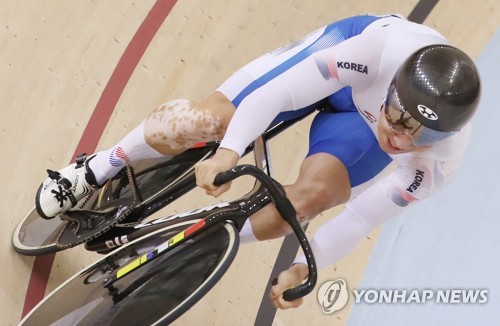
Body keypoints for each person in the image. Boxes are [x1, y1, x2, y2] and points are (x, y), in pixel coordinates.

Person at [35, 14, 481, 310]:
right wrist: (229, 151)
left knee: (295, 210)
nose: (398, 138)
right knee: (209, 122)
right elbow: (281, 92)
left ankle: (184, 239)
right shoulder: (378, 50)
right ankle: (98, 168)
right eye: (399, 117)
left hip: (355, 129)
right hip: (338, 67)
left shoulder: (439, 164)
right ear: (396, 90)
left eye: (419, 136)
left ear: (446, 137)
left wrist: (307, 267)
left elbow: (362, 215)